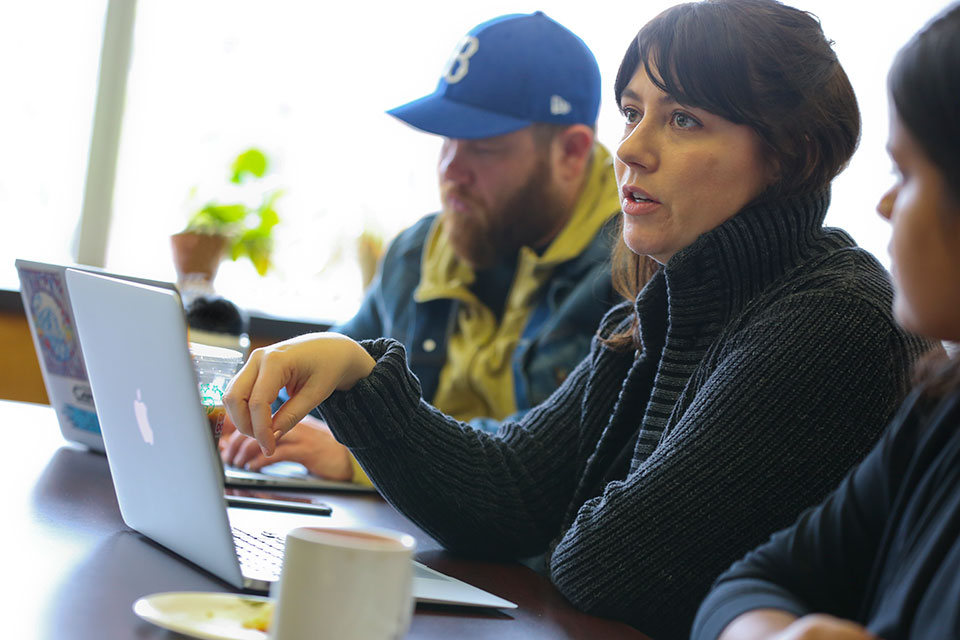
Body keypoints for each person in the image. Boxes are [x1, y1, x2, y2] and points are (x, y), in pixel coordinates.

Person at [223, 1, 934, 637]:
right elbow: (509, 488)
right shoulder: (665, 297)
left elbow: (608, 567)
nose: (629, 148)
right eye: (633, 111)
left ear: (788, 156)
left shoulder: (833, 319)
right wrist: (357, 373)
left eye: (683, 118)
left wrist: (556, 517)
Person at [220, 12, 621, 485]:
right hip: (411, 531)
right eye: (447, 138)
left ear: (571, 153)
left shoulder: (633, 279)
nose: (451, 167)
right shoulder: (417, 253)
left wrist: (358, 459)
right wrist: (248, 409)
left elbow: (540, 466)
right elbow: (325, 374)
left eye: (482, 146)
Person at [692, 6, 960, 640]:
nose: (885, 203)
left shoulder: (837, 314)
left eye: (906, 171)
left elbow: (607, 567)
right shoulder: (942, 411)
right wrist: (778, 635)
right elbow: (750, 581)